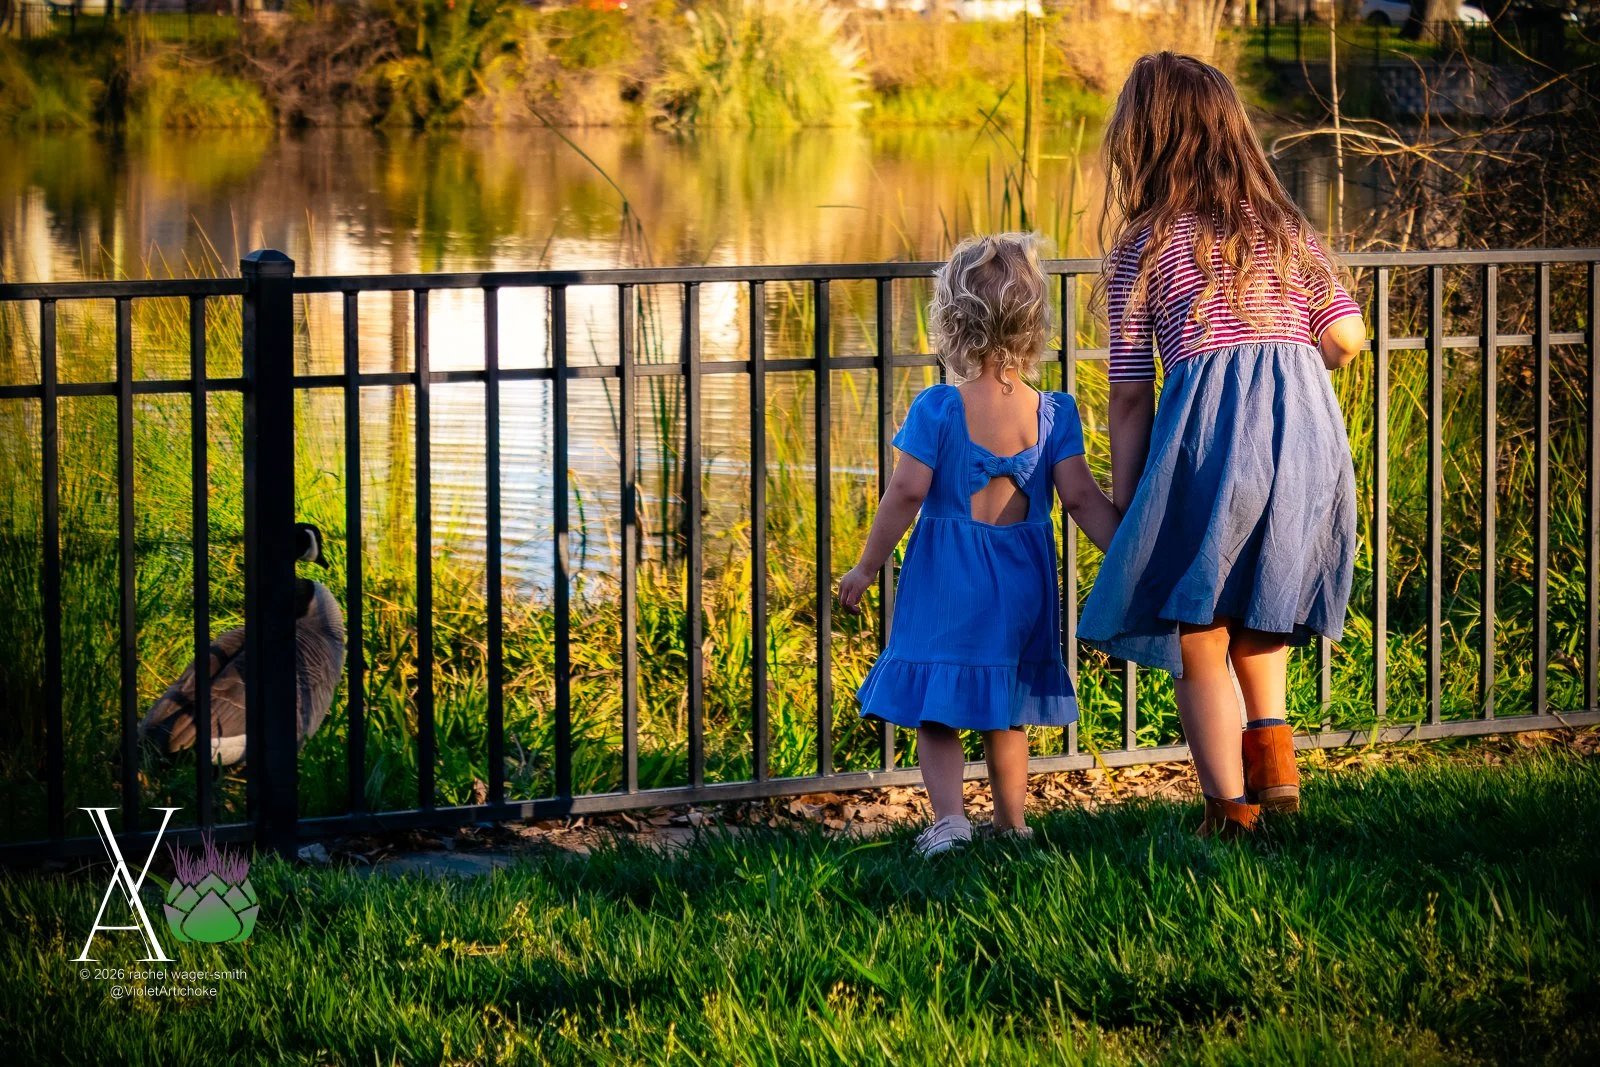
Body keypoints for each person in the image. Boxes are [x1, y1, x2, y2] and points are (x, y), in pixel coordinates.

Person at [1079, 52, 1367, 838]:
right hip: (1308, 438)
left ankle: (1228, 812)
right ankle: (1277, 775)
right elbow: (1348, 337)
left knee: (1199, 628)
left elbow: (1130, 393)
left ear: (1144, 142)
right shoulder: (1284, 227)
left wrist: (1134, 502)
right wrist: (1288, 357)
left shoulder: (1143, 244)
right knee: (1264, 608)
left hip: (1213, 441)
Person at [839, 232, 1121, 857]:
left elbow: (906, 492)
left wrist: (866, 566)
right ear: (1033, 320)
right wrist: (1131, 561)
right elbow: (1080, 499)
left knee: (937, 708)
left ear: (953, 319)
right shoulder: (1054, 412)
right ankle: (1012, 823)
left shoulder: (938, 408)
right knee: (1006, 705)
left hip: (947, 578)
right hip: (1021, 580)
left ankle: (950, 823)